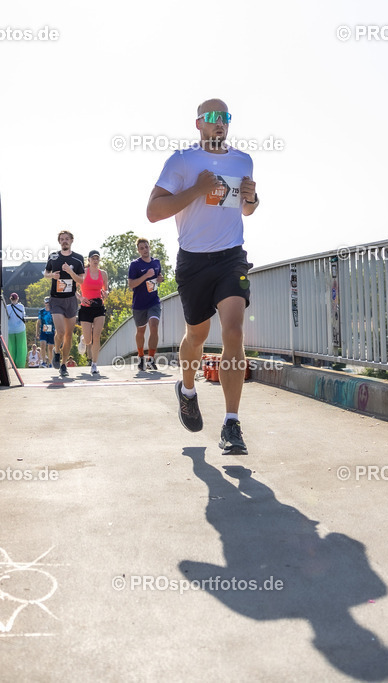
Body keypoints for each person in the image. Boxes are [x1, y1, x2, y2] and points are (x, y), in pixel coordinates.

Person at [146, 98, 259, 455]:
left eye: (225, 117)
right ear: (198, 124)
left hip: (231, 258)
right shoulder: (182, 160)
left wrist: (253, 200)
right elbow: (153, 212)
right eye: (212, 118)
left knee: (234, 331)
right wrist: (197, 188)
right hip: (194, 261)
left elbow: (246, 209)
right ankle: (188, 390)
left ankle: (231, 423)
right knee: (197, 334)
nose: (219, 123)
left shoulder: (243, 160)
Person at [44, 230, 85, 378]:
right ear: (59, 241)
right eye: (62, 239)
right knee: (60, 332)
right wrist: (52, 276)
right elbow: (45, 273)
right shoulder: (54, 256)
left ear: (72, 240)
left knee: (68, 335)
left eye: (67, 239)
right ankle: (56, 351)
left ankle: (63, 364)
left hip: (71, 300)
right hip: (56, 299)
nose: (64, 241)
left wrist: (70, 272)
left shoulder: (78, 258)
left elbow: (81, 281)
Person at [127, 237, 163, 371]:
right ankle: (141, 356)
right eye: (141, 248)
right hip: (139, 303)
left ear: (149, 247)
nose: (145, 250)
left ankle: (151, 359)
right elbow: (131, 284)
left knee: (154, 326)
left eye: (146, 247)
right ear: (138, 250)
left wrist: (160, 279)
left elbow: (159, 277)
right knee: (140, 331)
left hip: (153, 301)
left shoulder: (156, 262)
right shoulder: (135, 265)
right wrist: (145, 276)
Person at [76, 249, 108, 374]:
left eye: (97, 258)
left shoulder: (103, 274)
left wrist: (106, 293)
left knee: (97, 336)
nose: (95, 260)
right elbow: (73, 288)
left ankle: (94, 364)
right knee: (89, 340)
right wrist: (80, 297)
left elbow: (106, 289)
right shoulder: (83, 272)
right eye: (93, 258)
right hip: (85, 307)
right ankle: (83, 339)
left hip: (99, 306)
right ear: (88, 260)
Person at [5, 292, 28, 368]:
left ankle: (12, 363)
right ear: (17, 298)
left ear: (10, 299)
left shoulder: (7, 307)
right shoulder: (21, 306)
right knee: (21, 347)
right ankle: (20, 364)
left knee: (11, 347)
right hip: (20, 329)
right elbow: (23, 316)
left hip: (10, 329)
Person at [38, 298, 55, 363]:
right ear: (44, 303)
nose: (47, 304)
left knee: (50, 348)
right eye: (46, 303)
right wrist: (37, 332)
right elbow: (38, 322)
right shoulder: (41, 311)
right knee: (42, 345)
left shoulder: (53, 311)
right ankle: (43, 361)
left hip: (51, 331)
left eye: (48, 303)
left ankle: (50, 362)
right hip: (43, 330)